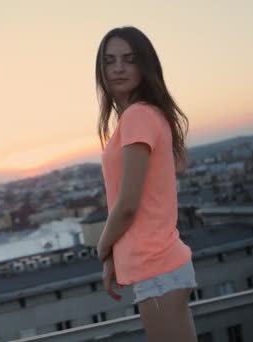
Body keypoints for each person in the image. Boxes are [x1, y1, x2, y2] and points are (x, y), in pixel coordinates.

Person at [94, 26, 198, 341]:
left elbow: (127, 205)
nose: (118, 68)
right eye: (110, 61)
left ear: (145, 65)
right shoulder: (144, 115)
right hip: (159, 267)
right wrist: (116, 258)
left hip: (158, 268)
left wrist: (102, 249)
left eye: (129, 59)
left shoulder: (137, 117)